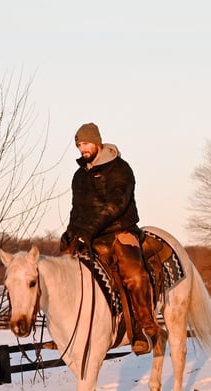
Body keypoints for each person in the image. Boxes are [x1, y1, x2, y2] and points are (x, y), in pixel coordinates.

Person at [60, 122, 160, 355]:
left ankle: (146, 327)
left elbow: (116, 204)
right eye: (78, 145)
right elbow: (78, 210)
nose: (82, 149)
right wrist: (71, 233)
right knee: (61, 270)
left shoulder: (119, 169)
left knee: (134, 274)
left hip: (119, 230)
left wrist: (89, 230)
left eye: (85, 144)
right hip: (91, 235)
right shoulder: (79, 176)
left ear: (96, 142)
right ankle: (66, 331)